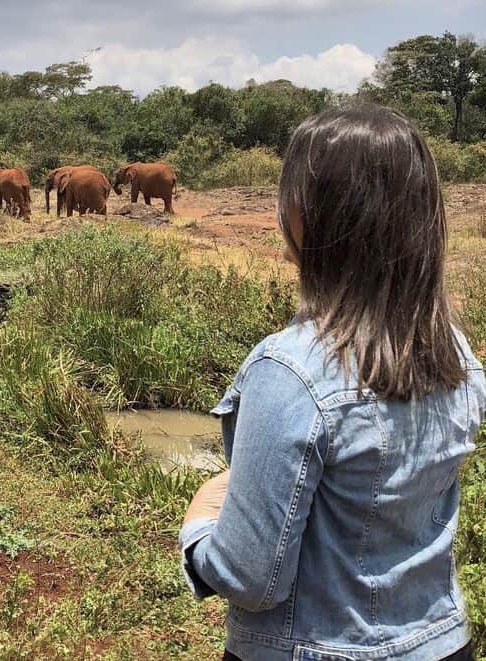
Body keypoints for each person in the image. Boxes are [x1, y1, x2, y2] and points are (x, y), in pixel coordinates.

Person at [179, 105, 485, 661]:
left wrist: (198, 527)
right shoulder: (455, 352)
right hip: (441, 644)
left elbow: (250, 576)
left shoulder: (289, 368)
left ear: (311, 216)